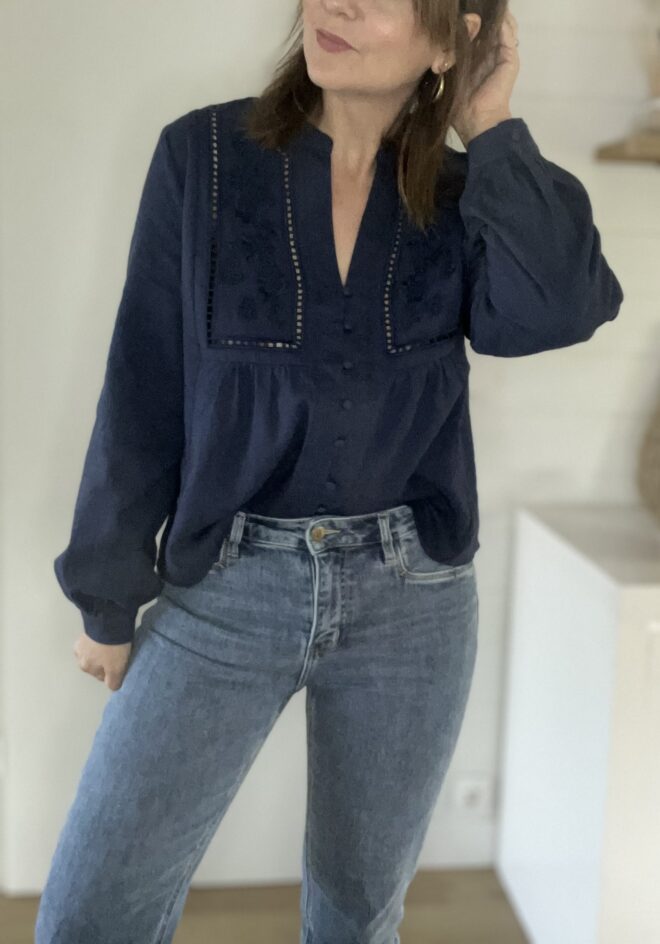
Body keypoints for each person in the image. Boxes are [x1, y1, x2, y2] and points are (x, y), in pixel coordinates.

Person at [35, 0, 624, 941]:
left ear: (452, 38)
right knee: (93, 911)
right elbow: (143, 379)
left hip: (413, 599)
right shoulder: (204, 158)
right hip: (225, 584)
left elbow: (558, 309)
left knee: (358, 916)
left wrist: (490, 121)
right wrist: (107, 594)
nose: (334, 5)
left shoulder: (468, 194)